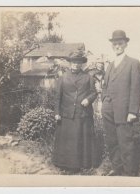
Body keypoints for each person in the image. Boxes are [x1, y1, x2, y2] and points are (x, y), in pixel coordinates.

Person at [52, 43, 100, 172]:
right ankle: (63, 164)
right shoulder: (62, 78)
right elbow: (58, 97)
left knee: (80, 140)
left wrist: (88, 100)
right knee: (67, 140)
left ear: (82, 64)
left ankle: (81, 165)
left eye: (79, 62)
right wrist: (57, 112)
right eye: (74, 62)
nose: (76, 64)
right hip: (66, 114)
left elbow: (94, 92)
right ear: (70, 63)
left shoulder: (88, 77)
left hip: (82, 114)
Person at [101, 30, 140, 176]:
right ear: (112, 45)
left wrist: (132, 111)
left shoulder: (133, 63)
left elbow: (136, 88)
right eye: (115, 44)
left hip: (124, 111)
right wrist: (104, 102)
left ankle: (129, 172)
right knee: (112, 141)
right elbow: (104, 85)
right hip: (108, 110)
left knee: (125, 142)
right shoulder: (110, 65)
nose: (117, 46)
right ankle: (117, 168)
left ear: (125, 44)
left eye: (120, 43)